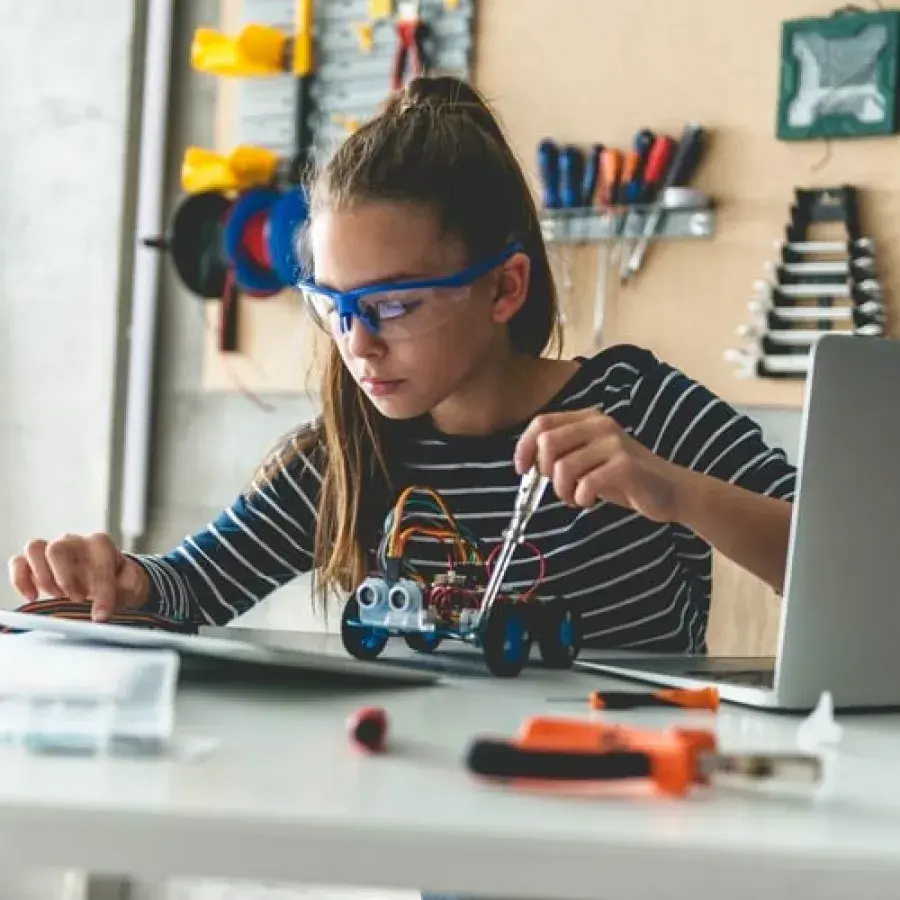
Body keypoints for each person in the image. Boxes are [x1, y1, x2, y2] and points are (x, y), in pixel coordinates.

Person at [7, 75, 795, 654]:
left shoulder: (635, 406)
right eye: (333, 305)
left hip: (634, 812)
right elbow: (192, 589)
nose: (357, 343)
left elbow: (839, 563)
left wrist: (674, 492)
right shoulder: (352, 451)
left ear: (505, 287)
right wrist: (119, 583)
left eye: (393, 304)